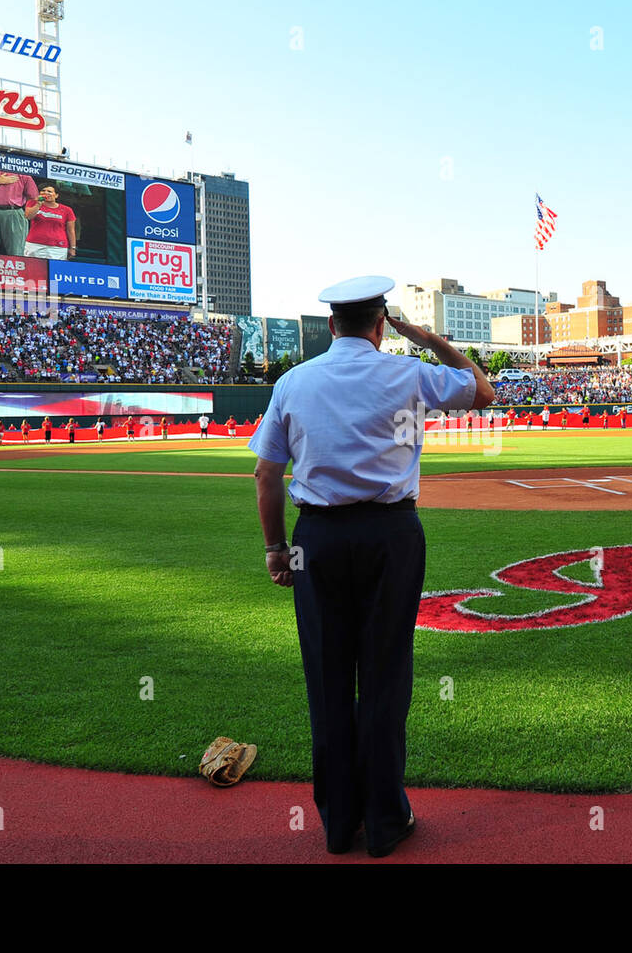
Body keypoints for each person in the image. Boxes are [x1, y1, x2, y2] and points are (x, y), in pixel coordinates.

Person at [249, 275, 494, 858]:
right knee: (385, 674)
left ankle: (338, 824)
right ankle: (386, 821)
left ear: (331, 324)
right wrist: (428, 339)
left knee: (327, 677)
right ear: (382, 325)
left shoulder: (293, 381)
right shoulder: (408, 372)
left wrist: (276, 549)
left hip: (317, 538)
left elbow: (265, 474)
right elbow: (483, 391)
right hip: (391, 534)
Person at [22, 183, 77, 260]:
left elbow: (71, 230)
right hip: (34, 244)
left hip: (58, 247)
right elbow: (28, 216)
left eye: (49, 191)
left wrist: (73, 248)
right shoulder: (32, 203)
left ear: (56, 195)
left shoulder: (67, 210)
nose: (46, 193)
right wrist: (38, 204)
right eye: (43, 190)